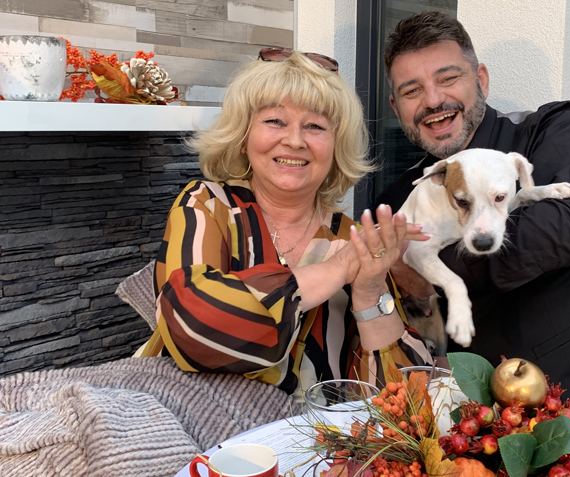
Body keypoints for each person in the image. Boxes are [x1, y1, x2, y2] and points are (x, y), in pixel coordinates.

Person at [375, 12, 570, 442]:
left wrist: (435, 268)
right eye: (412, 91)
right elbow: (411, 312)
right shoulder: (401, 197)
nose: (433, 100)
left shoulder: (555, 129)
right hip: (489, 429)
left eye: (448, 78)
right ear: (397, 108)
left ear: (481, 79)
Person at [140, 48, 433, 401]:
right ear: (243, 136)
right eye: (275, 121)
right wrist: (335, 270)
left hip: (315, 434)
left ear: (336, 145)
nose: (294, 140)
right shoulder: (208, 204)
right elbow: (191, 322)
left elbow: (403, 400)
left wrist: (370, 292)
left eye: (315, 126)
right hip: (195, 426)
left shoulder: (351, 239)